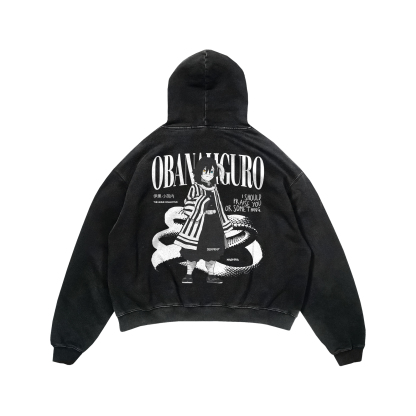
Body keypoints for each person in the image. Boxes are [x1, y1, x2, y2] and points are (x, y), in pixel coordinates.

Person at [173, 156, 233, 284]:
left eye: (211, 171)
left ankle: (211, 275)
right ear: (199, 172)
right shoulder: (195, 187)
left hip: (214, 223)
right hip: (198, 223)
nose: (208, 174)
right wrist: (201, 201)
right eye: (205, 171)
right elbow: (187, 203)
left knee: (213, 250)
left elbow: (219, 205)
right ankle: (188, 274)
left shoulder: (214, 188)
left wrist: (223, 222)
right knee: (192, 249)